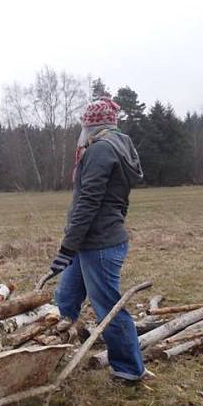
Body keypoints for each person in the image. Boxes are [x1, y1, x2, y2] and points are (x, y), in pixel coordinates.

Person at [47, 97, 148, 383]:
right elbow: (119, 201)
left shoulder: (101, 149)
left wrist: (66, 247)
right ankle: (45, 357)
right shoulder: (117, 144)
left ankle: (129, 370)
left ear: (92, 125)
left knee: (108, 308)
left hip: (99, 244)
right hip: (90, 241)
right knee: (65, 299)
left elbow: (88, 201)